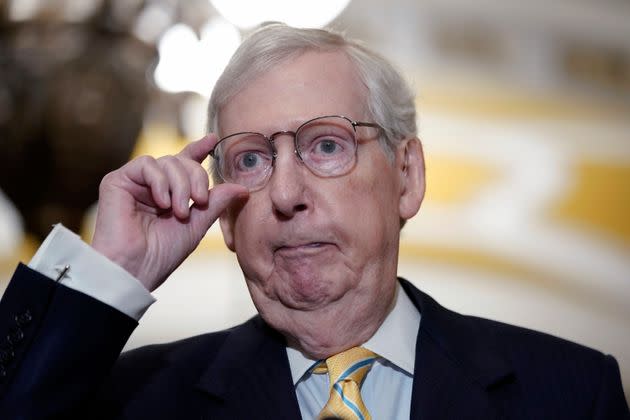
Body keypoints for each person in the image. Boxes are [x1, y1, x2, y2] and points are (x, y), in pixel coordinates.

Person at [0, 23, 628, 420]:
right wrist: (111, 273)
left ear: (406, 176)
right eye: (250, 159)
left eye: (326, 145)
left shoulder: (571, 393)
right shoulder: (133, 399)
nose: (286, 193)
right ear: (222, 214)